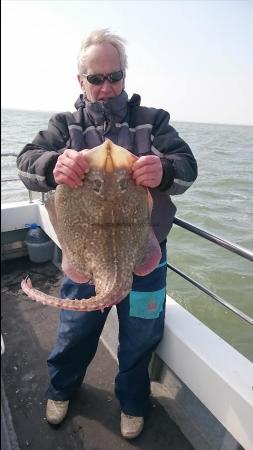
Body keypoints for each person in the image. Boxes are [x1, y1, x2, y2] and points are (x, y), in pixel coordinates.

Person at [17, 29, 198, 439]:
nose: (106, 87)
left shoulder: (153, 122)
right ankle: (61, 388)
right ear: (80, 81)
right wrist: (52, 165)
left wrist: (164, 170)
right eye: (95, 79)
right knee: (74, 330)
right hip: (89, 251)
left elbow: (187, 166)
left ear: (124, 76)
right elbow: (26, 160)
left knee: (140, 336)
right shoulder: (66, 126)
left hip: (145, 252)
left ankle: (133, 402)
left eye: (113, 76)